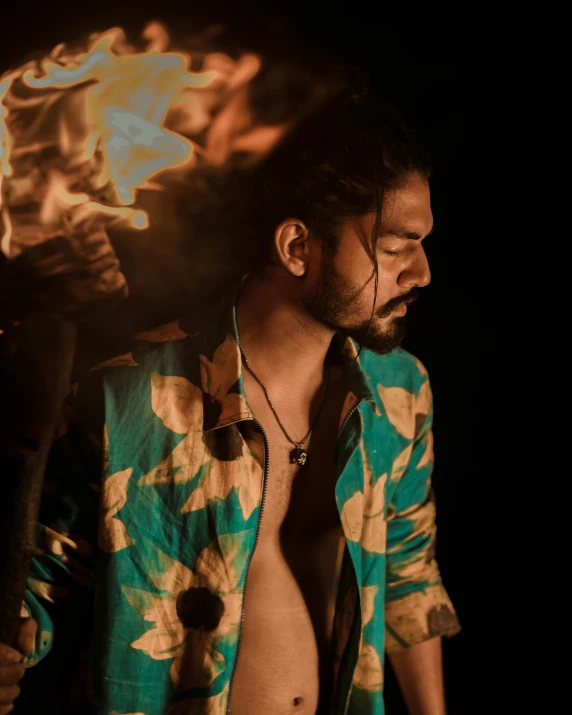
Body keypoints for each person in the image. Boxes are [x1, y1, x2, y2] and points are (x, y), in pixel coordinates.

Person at [0, 87, 460, 715]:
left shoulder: (400, 392)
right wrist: (14, 647)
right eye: (394, 245)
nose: (421, 271)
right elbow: (42, 585)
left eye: (422, 241)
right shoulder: (128, 397)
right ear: (298, 247)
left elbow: (408, 574)